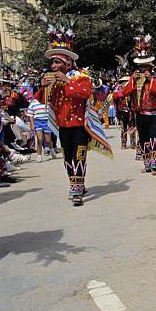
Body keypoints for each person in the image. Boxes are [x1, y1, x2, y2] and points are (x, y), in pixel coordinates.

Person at [36, 23, 112, 206]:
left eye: (57, 62)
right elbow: (40, 100)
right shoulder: (51, 79)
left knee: (79, 155)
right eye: (52, 63)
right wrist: (44, 86)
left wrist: (67, 81)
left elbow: (85, 93)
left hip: (80, 125)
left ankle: (76, 189)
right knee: (67, 157)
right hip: (63, 125)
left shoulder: (80, 77)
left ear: (67, 63)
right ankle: (76, 183)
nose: (53, 66)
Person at [121, 34, 156, 175]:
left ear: (150, 67)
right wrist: (133, 81)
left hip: (153, 114)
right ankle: (147, 164)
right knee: (143, 139)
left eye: (145, 67)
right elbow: (125, 92)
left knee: (153, 138)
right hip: (140, 114)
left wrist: (151, 80)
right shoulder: (134, 78)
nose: (142, 70)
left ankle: (154, 165)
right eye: (140, 67)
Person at [112, 75, 136, 149]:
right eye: (123, 82)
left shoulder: (133, 89)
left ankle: (133, 143)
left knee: (132, 127)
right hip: (122, 111)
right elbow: (115, 96)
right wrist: (124, 93)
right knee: (123, 128)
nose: (125, 83)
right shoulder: (117, 90)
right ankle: (123, 143)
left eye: (126, 82)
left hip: (131, 111)